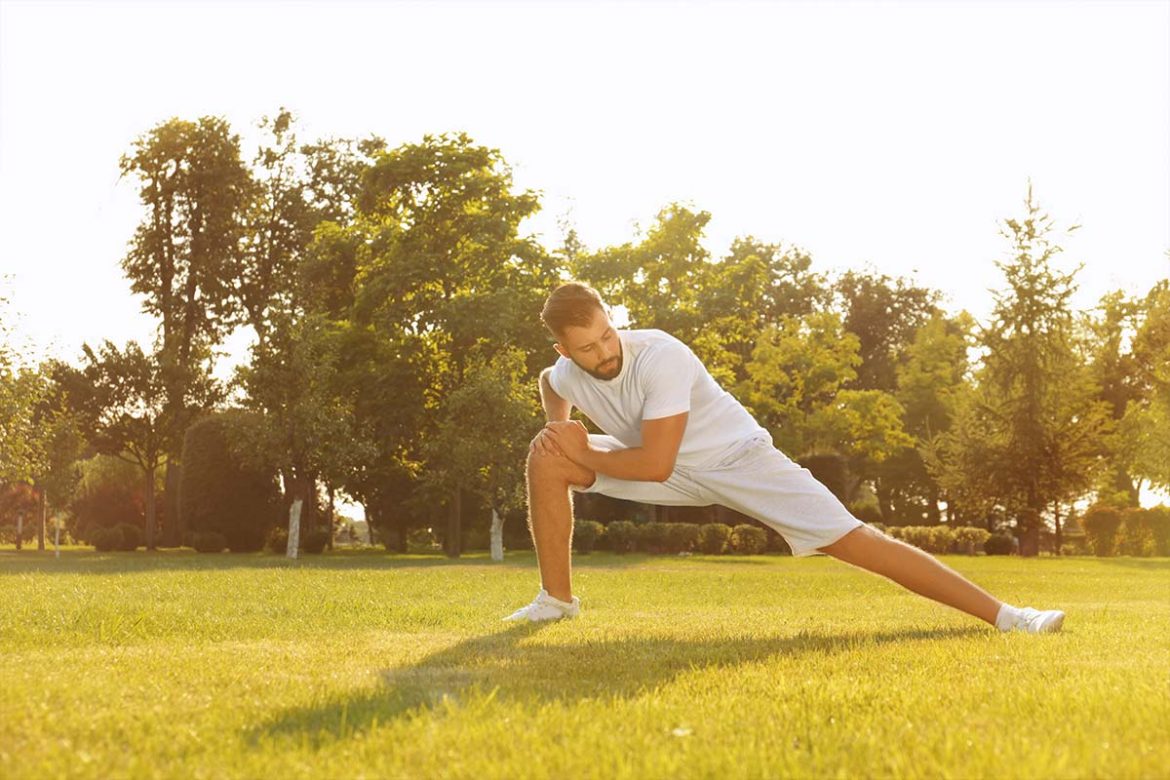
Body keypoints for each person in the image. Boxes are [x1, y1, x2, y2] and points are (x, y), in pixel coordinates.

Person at [503, 282, 1065, 634]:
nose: (604, 352)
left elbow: (655, 463)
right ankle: (556, 601)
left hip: (737, 459)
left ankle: (1010, 616)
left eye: (606, 335)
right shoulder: (566, 369)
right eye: (587, 347)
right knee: (545, 456)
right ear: (564, 348)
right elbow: (550, 384)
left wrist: (580, 445)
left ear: (610, 317)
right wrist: (561, 431)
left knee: (856, 540)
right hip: (665, 467)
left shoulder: (661, 356)